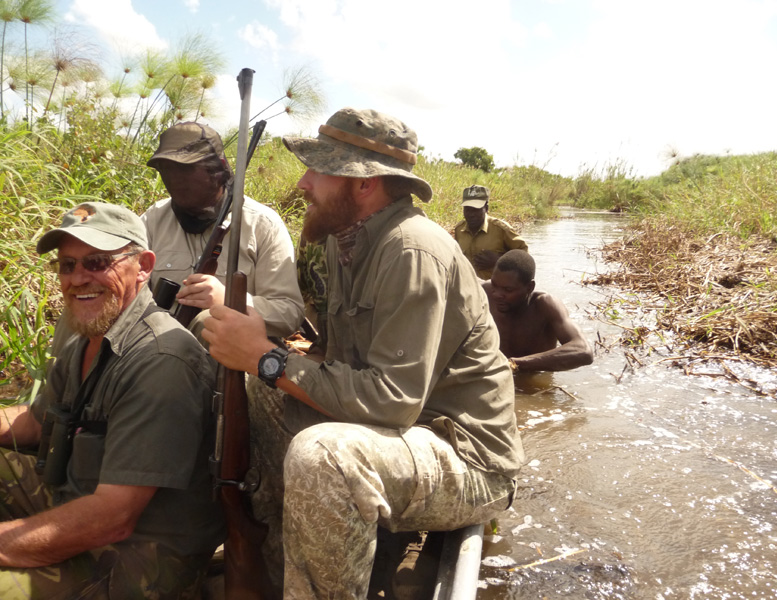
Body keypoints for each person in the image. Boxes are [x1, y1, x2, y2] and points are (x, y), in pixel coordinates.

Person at [201, 107, 525, 598]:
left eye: (319, 169)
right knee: (258, 392)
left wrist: (268, 356)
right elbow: (339, 361)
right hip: (399, 435)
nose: (304, 182)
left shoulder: (411, 251)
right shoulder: (342, 242)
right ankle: (273, 566)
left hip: (466, 458)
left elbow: (393, 402)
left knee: (322, 455)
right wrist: (265, 365)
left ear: (364, 183)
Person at [0, 202, 225, 598]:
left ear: (143, 265)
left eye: (98, 262)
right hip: (77, 497)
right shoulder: (85, 336)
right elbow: (36, 423)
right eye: (67, 266)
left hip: (136, 563)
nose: (78, 278)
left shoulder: (162, 360)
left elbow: (113, 518)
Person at [141, 121, 305, 339]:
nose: (176, 179)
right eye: (167, 169)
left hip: (233, 357)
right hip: (156, 351)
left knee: (207, 322)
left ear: (217, 170)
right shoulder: (153, 220)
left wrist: (229, 301)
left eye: (186, 169)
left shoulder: (262, 224)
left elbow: (289, 313)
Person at [484, 249, 594, 372]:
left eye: (508, 290)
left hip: (532, 378)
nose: (497, 294)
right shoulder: (484, 293)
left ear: (530, 287)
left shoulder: (545, 305)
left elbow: (584, 351)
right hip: (495, 374)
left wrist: (514, 364)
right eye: (494, 285)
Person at [453, 184, 528, 279]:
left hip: (495, 291)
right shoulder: (459, 230)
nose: (471, 214)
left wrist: (499, 261)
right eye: (467, 209)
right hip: (468, 289)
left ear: (486, 209)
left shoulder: (501, 229)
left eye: (476, 210)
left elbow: (525, 257)